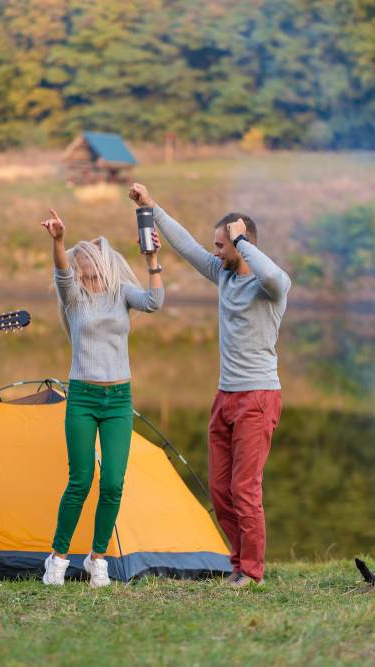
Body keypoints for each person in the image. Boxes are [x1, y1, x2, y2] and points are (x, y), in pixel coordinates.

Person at [128, 183, 290, 587]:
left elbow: (273, 273)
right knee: (220, 489)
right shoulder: (224, 275)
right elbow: (184, 245)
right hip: (225, 396)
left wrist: (240, 240)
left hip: (258, 396)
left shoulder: (269, 288)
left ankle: (252, 572)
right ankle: (237, 564)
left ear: (242, 244)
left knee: (245, 489)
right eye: (217, 245)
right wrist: (152, 206)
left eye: (223, 245)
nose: (216, 252)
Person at [39, 208, 164, 587]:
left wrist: (152, 260)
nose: (85, 269)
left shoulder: (121, 292)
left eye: (90, 263)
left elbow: (155, 302)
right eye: (80, 264)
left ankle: (99, 558)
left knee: (112, 481)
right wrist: (59, 242)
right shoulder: (73, 297)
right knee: (80, 479)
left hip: (118, 399)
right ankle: (57, 559)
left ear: (103, 262)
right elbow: (60, 272)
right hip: (82, 397)